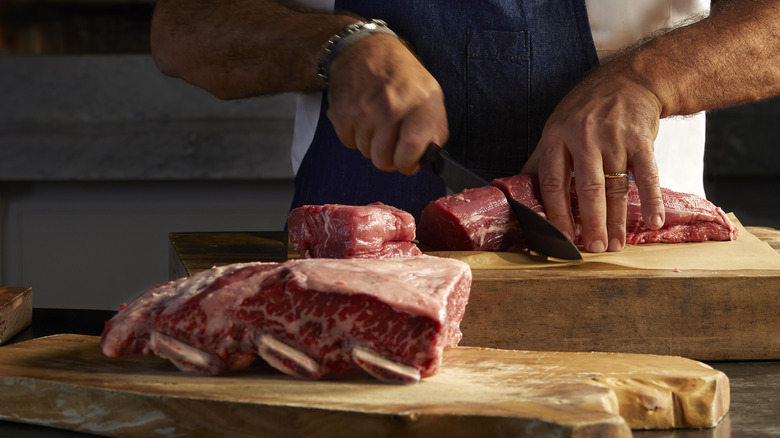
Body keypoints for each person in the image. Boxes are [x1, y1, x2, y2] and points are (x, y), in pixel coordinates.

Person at [149, 0, 780, 253]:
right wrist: (338, 45)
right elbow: (183, 30)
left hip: (626, 268)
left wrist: (648, 80)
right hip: (359, 287)